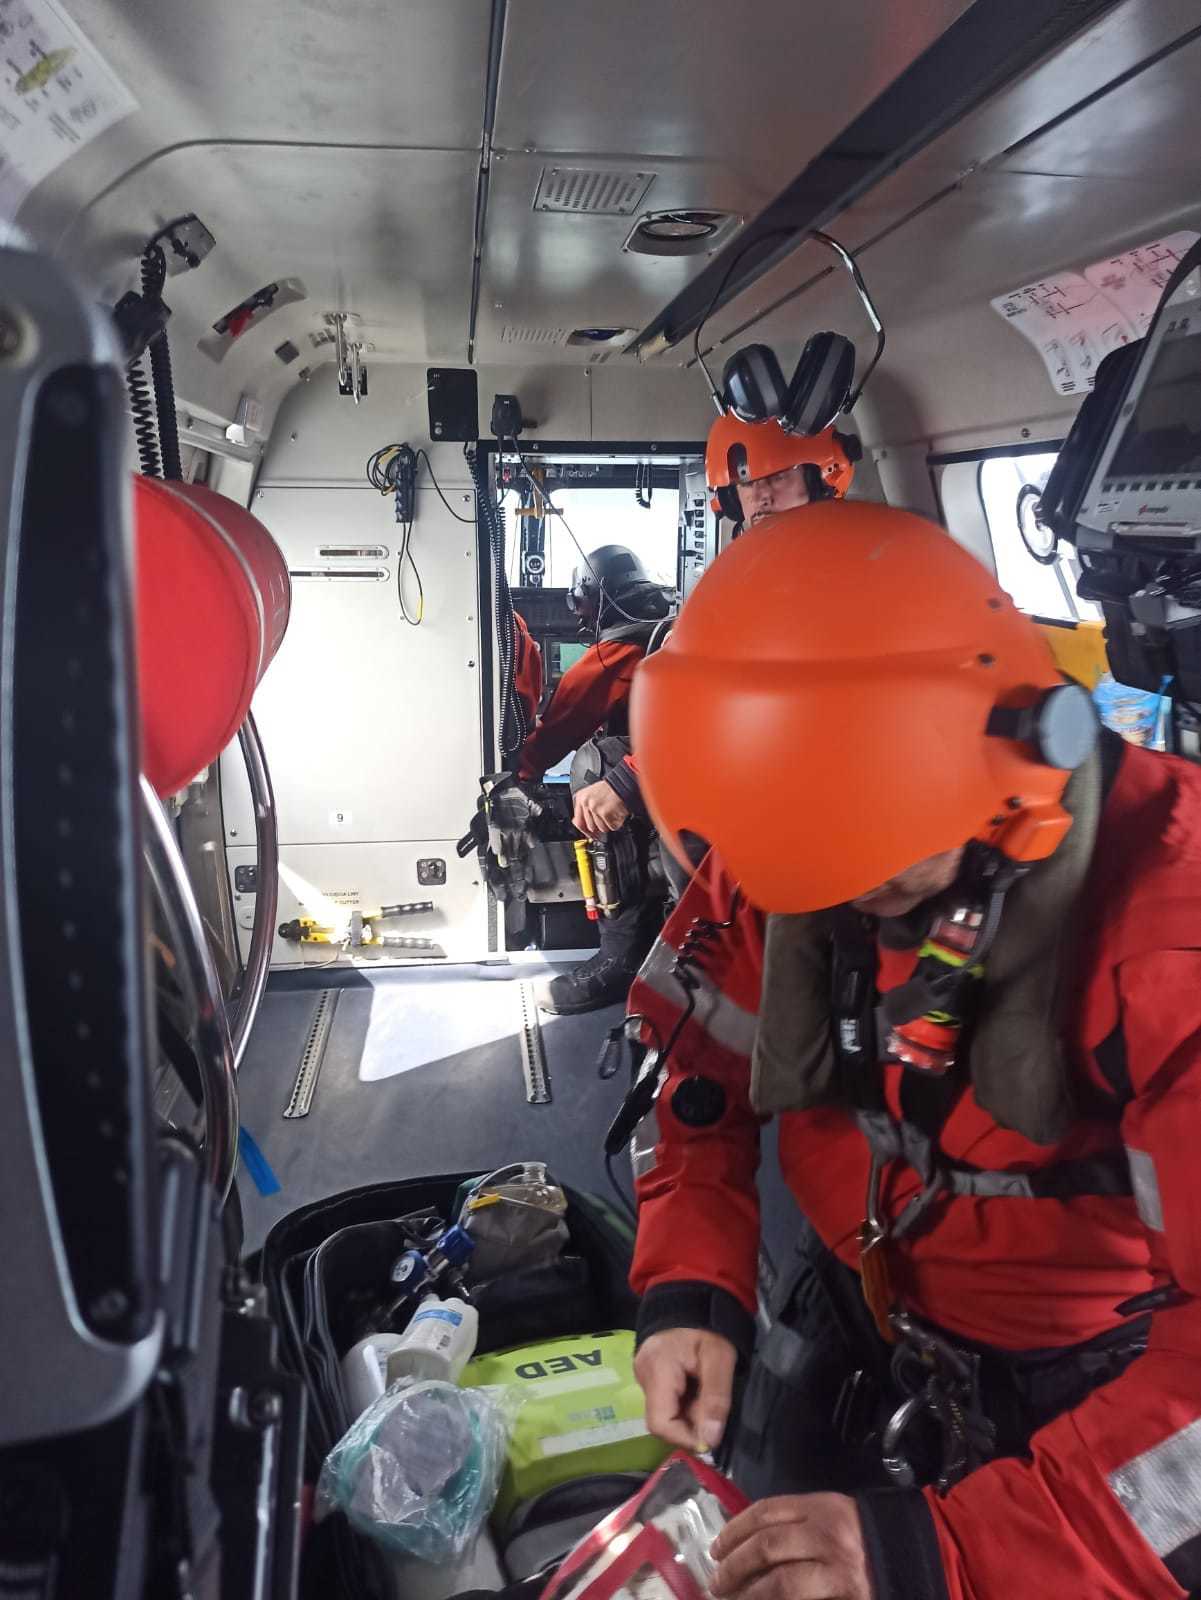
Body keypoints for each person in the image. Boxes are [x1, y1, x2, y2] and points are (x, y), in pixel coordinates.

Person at [623, 500, 1201, 1600]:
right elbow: (697, 1080)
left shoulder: (1172, 932)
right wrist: (691, 1284)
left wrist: (951, 1555)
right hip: (853, 1314)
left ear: (1012, 766)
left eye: (877, 873)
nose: (838, 900)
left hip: (1090, 1411)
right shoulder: (791, 833)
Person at [572, 420, 857, 879]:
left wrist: (628, 780)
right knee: (609, 762)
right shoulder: (749, 577)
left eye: (779, 476)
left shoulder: (833, 578)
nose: (761, 494)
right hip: (758, 758)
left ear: (818, 479)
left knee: (669, 817)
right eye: (748, 481)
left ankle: (704, 918)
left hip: (802, 777)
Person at [515, 544, 676, 1014]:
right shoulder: (668, 628)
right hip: (691, 774)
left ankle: (620, 957)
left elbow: (556, 732)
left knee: (594, 763)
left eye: (580, 603)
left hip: (662, 776)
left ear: (595, 597)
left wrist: (516, 779)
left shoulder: (614, 653)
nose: (579, 613)